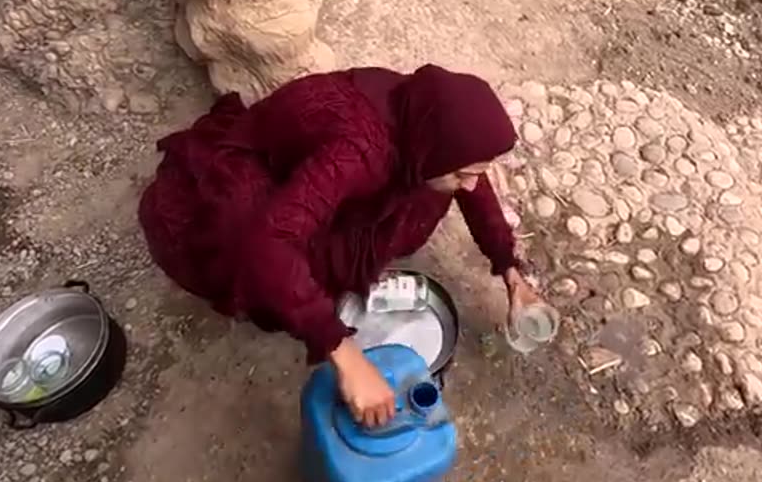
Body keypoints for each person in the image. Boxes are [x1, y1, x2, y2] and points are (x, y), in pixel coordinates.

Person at [137, 64, 543, 427]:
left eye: (474, 171)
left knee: (428, 192)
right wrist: (343, 352)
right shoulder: (357, 155)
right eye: (462, 174)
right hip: (262, 178)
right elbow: (269, 240)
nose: (471, 184)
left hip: (331, 171)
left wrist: (509, 268)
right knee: (261, 257)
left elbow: (473, 176)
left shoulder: (425, 121)